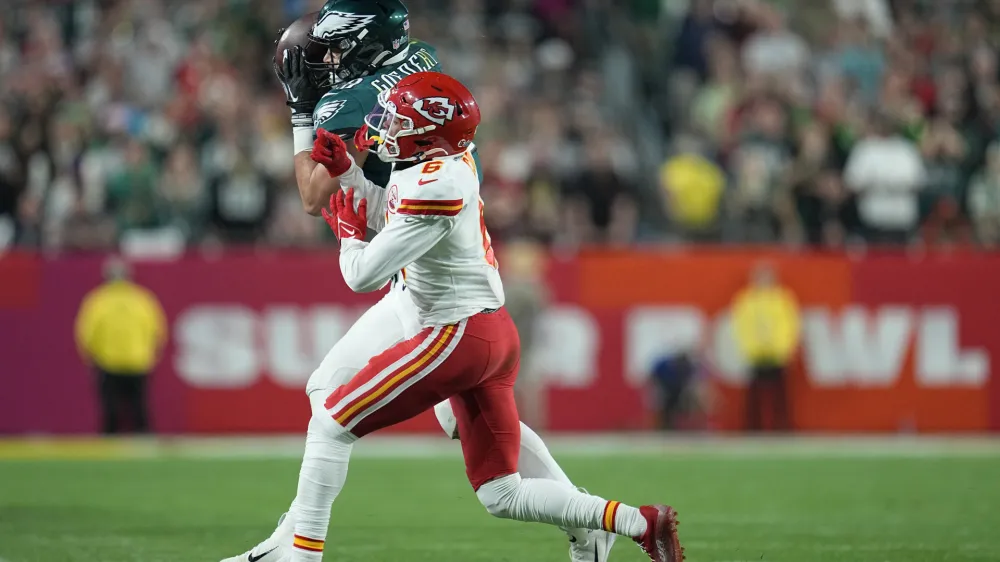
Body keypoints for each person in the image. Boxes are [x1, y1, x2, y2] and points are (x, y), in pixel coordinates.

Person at [223, 3, 613, 561]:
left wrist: (301, 110)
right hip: (438, 247)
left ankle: (297, 548)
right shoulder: (421, 59)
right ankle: (292, 539)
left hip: (417, 265)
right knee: (344, 393)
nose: (328, 58)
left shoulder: (344, 100)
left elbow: (314, 198)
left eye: (338, 45)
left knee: (358, 410)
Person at [292, 71, 684, 562]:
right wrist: (350, 173)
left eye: (397, 119)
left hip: (455, 336)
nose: (383, 127)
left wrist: (348, 233)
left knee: (331, 421)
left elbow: (363, 274)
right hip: (488, 332)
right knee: (501, 494)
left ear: (427, 134)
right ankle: (636, 521)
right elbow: (392, 220)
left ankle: (299, 554)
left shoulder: (435, 186)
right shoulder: (440, 165)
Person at [74, 257, 166, 434]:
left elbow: (86, 332)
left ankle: (109, 446)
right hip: (138, 361)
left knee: (110, 409)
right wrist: (152, 354)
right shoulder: (142, 299)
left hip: (108, 361)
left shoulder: (98, 301)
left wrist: (90, 356)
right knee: (139, 408)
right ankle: (144, 441)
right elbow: (157, 330)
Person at [731, 261, 800, 431]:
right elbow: (742, 326)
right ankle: (752, 427)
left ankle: (782, 426)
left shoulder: (782, 299)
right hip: (756, 353)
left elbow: (790, 325)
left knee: (780, 395)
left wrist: (785, 348)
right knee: (754, 396)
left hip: (777, 353)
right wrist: (748, 348)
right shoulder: (746, 300)